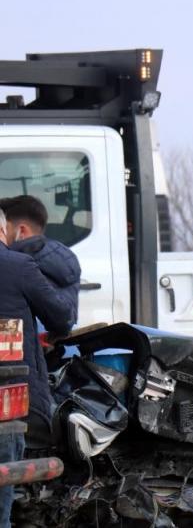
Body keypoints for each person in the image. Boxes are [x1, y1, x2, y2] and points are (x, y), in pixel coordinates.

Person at [0, 208, 73, 527]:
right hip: (5, 394)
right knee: (4, 471)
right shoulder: (17, 266)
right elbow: (61, 317)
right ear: (4, 232)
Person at [0, 195, 81, 323]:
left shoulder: (18, 265)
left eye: (4, 229)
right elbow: (63, 319)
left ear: (21, 231)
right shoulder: (64, 258)